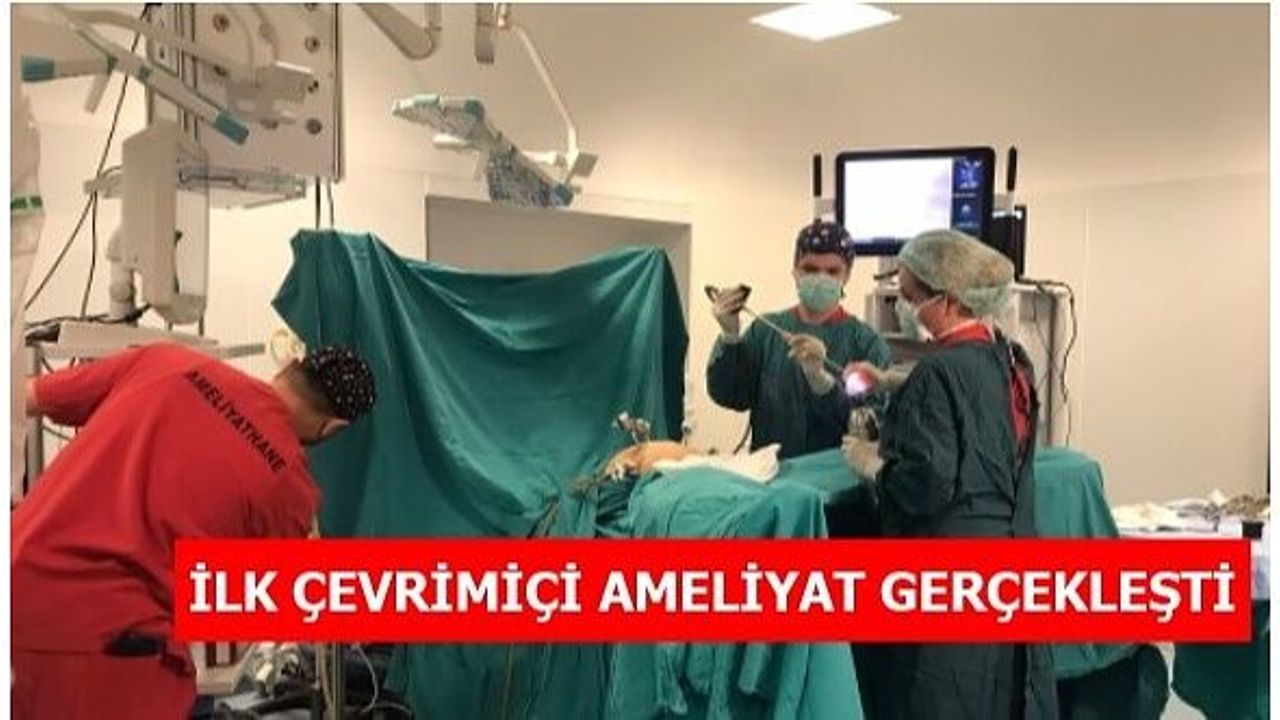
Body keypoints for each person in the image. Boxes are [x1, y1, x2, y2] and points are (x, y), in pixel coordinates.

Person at [12, 342, 377, 719]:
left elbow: (27, 395)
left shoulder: (166, 360)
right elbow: (235, 613)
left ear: (288, 368)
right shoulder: (290, 490)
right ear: (333, 427)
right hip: (104, 645)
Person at [841, 229, 1057, 719]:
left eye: (912, 296)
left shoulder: (938, 375)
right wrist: (893, 380)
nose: (906, 308)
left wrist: (875, 465)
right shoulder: (1012, 360)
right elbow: (980, 415)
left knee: (943, 699)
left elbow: (925, 486)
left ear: (950, 299)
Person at [706, 219, 890, 459]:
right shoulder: (765, 332)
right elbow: (731, 396)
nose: (821, 278)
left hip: (839, 475)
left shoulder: (865, 343)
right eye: (810, 269)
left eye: (832, 271)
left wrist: (824, 384)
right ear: (795, 271)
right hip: (773, 472)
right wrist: (730, 337)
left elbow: (873, 426)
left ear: (847, 275)